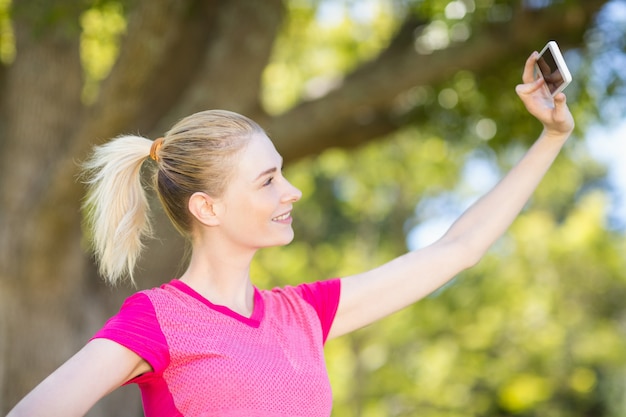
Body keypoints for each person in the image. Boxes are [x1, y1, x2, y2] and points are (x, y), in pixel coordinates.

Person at [7, 51, 574, 417]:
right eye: (268, 179)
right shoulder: (157, 321)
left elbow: (459, 248)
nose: (292, 191)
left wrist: (550, 137)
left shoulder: (303, 314)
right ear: (209, 207)